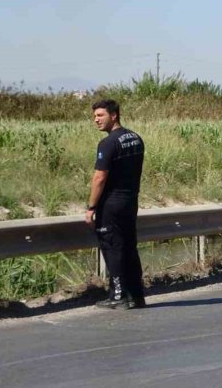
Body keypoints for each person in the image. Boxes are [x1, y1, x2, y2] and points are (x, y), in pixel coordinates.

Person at [85, 99, 146, 309]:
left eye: (100, 115)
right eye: (94, 116)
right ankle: (136, 295)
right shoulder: (136, 138)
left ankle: (118, 295)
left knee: (113, 248)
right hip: (130, 202)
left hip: (111, 204)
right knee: (129, 246)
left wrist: (91, 207)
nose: (96, 120)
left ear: (114, 115)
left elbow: (99, 177)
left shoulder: (108, 143)